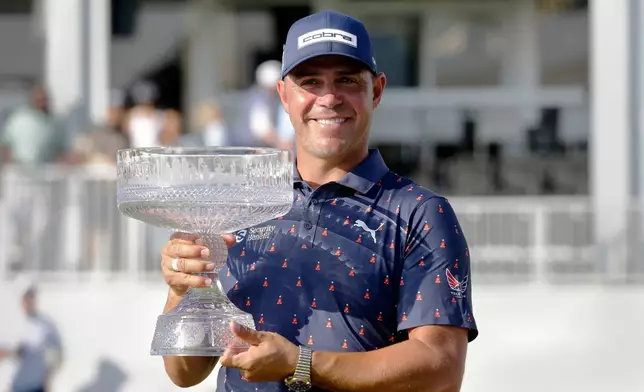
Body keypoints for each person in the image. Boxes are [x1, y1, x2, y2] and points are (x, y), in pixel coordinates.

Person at [160, 10, 478, 392]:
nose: (328, 98)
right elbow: (185, 372)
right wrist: (183, 290)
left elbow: (440, 369)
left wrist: (301, 363)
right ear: (284, 95)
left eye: (346, 80)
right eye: (310, 82)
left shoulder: (419, 213)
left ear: (376, 90)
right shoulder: (239, 206)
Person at [0, 283, 63, 392]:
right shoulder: (8, 324)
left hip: (37, 387)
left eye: (31, 297)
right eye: (26, 298)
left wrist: (49, 377)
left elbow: (57, 354)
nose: (29, 301)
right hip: (15, 387)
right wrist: (12, 353)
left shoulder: (46, 324)